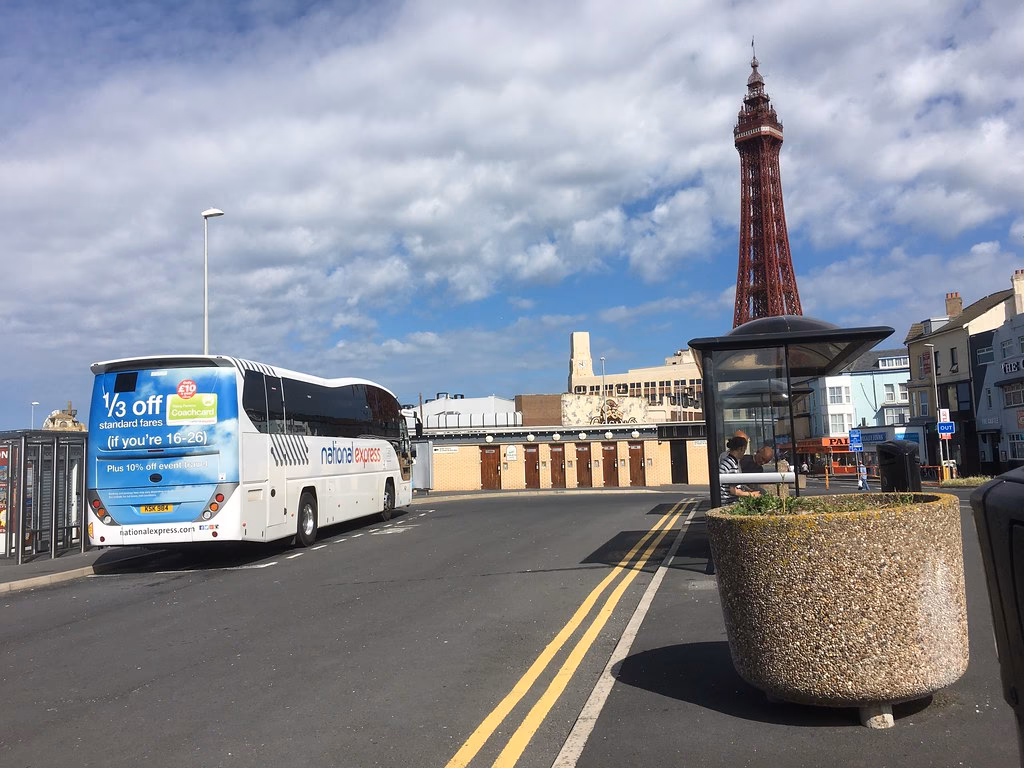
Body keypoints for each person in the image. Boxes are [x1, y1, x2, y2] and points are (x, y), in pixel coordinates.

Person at [719, 435, 761, 504]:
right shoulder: (731, 464)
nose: (744, 453)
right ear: (740, 449)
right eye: (744, 450)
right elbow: (733, 490)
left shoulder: (728, 461)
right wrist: (751, 494)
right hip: (728, 502)